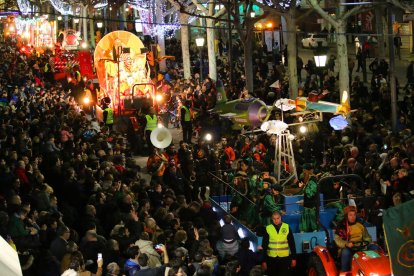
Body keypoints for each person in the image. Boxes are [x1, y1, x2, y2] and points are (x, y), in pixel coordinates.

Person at [335, 206, 376, 273]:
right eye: (350, 215)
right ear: (346, 216)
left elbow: (368, 237)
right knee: (346, 252)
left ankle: (374, 269)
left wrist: (366, 242)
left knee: (375, 247)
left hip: (361, 246)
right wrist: (346, 244)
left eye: (354, 215)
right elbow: (338, 240)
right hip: (348, 247)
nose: (353, 217)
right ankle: (345, 272)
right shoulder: (341, 226)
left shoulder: (360, 225)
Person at [262, 211, 296, 276]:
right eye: (274, 219)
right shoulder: (268, 228)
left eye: (278, 218)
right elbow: (264, 246)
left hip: (284, 258)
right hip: (271, 258)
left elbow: (292, 244)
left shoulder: (286, 227)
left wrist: (294, 258)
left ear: (281, 218)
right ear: (272, 219)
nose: (276, 220)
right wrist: (264, 261)